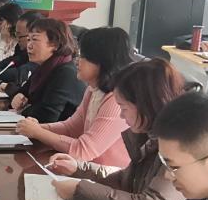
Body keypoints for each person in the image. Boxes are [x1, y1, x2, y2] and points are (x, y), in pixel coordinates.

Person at [47, 57, 187, 200]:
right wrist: (78, 168)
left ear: (145, 105)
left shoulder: (177, 147)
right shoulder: (150, 136)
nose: (121, 115)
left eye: (124, 108)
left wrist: (80, 190)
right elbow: (124, 179)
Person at [17, 26, 132, 167]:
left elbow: (84, 150)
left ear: (103, 62)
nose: (76, 61)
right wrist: (37, 128)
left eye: (83, 56)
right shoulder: (93, 90)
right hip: (84, 169)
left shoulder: (116, 100)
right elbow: (71, 128)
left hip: (105, 175)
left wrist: (38, 132)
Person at [10, 16, 84, 122]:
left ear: (55, 44)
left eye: (35, 39)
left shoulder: (66, 73)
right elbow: (23, 91)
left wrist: (25, 109)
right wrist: (19, 95)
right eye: (28, 40)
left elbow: (46, 117)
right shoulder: (44, 67)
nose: (29, 46)